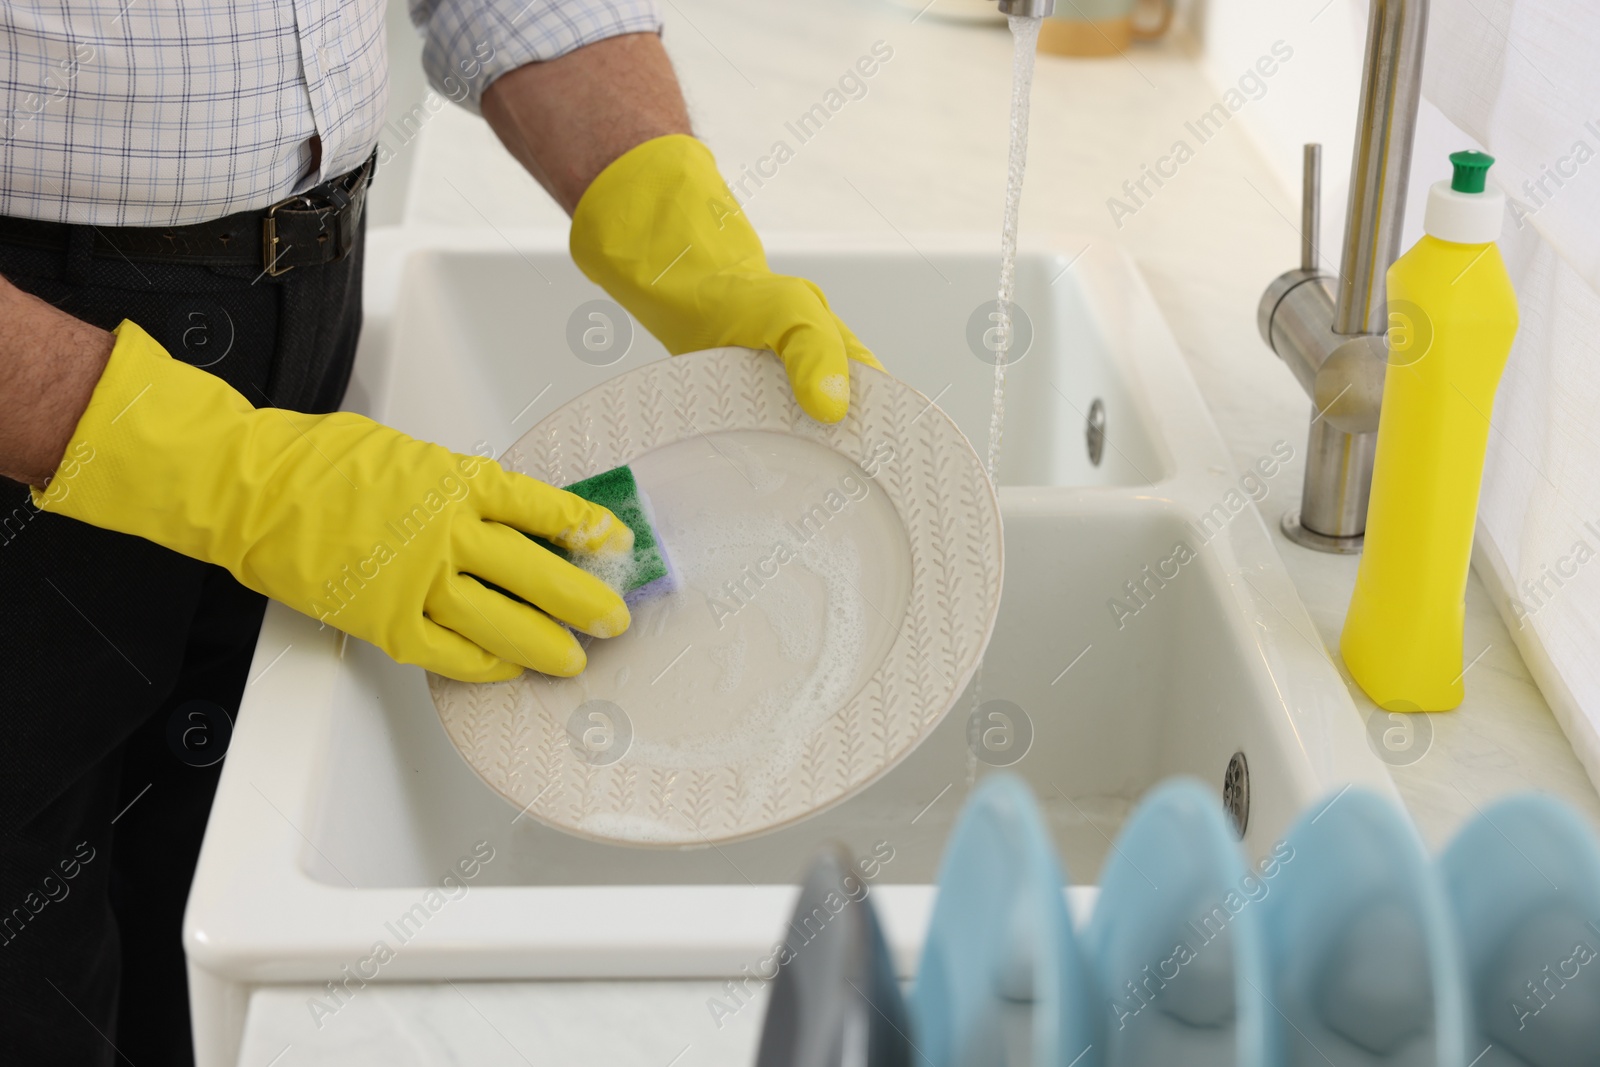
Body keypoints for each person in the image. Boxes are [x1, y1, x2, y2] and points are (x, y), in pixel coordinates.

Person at [0, 2, 879, 1061]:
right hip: (34, 369)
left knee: (200, 903)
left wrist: (671, 219)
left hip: (303, 299)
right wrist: (229, 473)